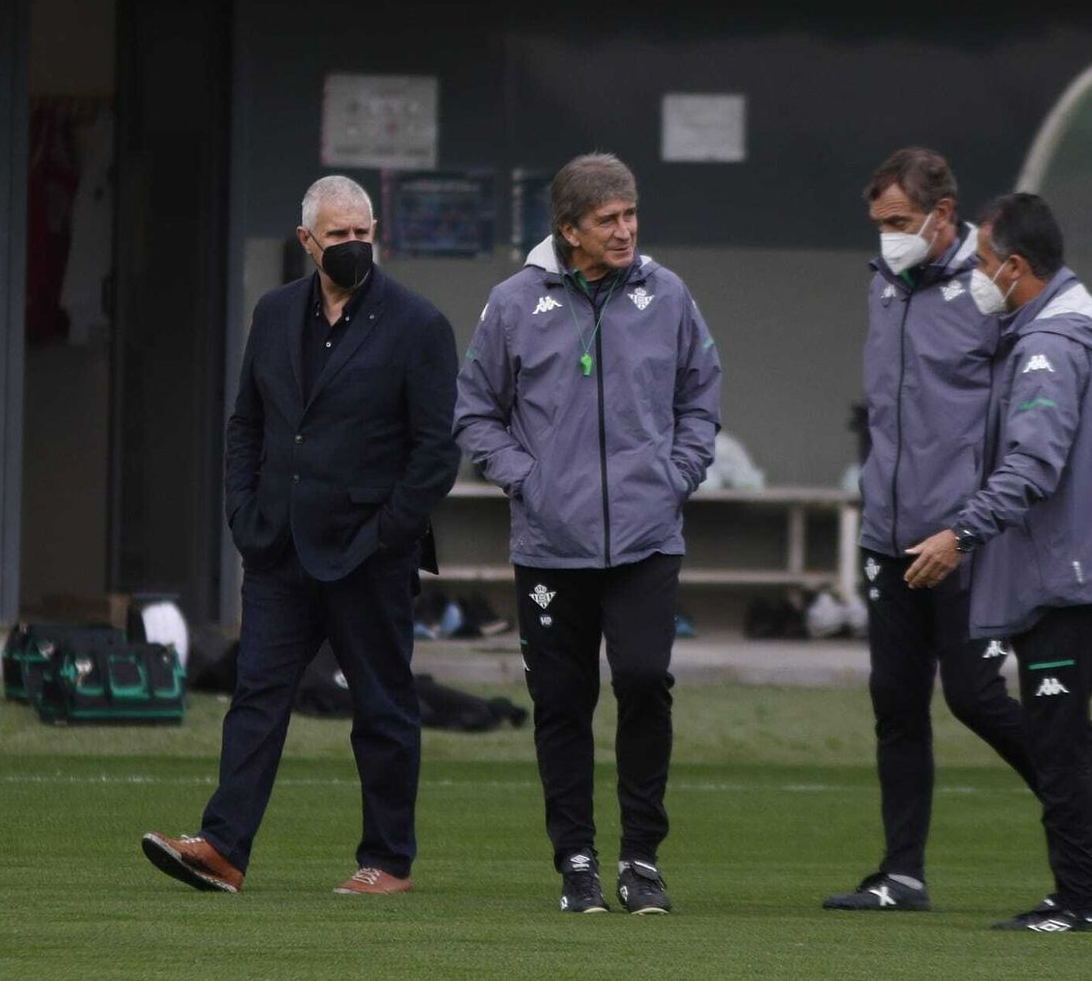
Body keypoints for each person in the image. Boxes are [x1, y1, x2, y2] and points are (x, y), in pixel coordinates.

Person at [141, 175, 460, 896]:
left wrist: (388, 533)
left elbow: (436, 451)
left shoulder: (419, 325)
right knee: (256, 695)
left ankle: (387, 861)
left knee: (380, 706)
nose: (352, 246)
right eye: (337, 235)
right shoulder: (275, 312)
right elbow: (247, 422)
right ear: (306, 241)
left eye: (362, 233)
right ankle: (223, 848)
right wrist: (245, 512)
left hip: (370, 554)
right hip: (279, 547)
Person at [454, 152, 721, 914]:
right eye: (607, 220)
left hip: (647, 537)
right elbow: (473, 410)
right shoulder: (511, 304)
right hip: (549, 547)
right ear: (569, 231)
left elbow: (701, 392)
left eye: (630, 214)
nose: (625, 230)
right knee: (562, 703)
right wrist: (528, 481)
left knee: (642, 679)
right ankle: (576, 861)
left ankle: (642, 859)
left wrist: (679, 471)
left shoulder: (667, 295)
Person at [902, 192, 1092, 932]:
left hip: (1064, 573)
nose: (977, 276)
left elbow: (1032, 467)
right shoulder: (1072, 331)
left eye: (982, 262)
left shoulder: (1048, 347)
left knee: (1053, 732)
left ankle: (1078, 898)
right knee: (1067, 730)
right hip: (1077, 565)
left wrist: (960, 535)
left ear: (1014, 267)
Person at [824, 148, 1038, 913]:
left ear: (944, 216)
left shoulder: (990, 291)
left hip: (963, 538)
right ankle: (901, 873)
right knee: (896, 702)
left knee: (977, 698)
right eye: (880, 223)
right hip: (888, 534)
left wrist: (980, 515)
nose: (888, 237)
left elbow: (1025, 404)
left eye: (901, 223)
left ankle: (1081, 817)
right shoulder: (882, 286)